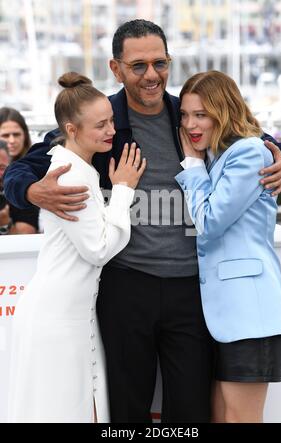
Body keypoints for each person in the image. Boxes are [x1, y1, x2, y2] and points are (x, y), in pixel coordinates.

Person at [4, 20, 281, 423]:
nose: (152, 75)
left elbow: (249, 137)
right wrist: (31, 192)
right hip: (126, 288)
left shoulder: (190, 115)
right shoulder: (102, 120)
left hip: (192, 292)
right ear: (116, 68)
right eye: (138, 65)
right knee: (125, 409)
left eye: (160, 62)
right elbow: (25, 168)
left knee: (190, 411)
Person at [7, 72, 145, 423]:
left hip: (73, 315)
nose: (112, 131)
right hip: (56, 319)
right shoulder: (69, 173)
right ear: (72, 129)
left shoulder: (77, 167)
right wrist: (124, 189)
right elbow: (98, 249)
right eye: (101, 125)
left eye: (112, 121)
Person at [176, 70, 281, 423]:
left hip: (252, 316)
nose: (190, 124)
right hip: (225, 318)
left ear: (222, 111)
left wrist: (193, 166)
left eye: (201, 114)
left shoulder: (248, 153)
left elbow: (209, 222)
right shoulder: (217, 156)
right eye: (184, 115)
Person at [0, 107, 39, 234]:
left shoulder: (35, 170)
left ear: (25, 136)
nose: (11, 140)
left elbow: (27, 233)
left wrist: (5, 223)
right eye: (5, 135)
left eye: (16, 134)